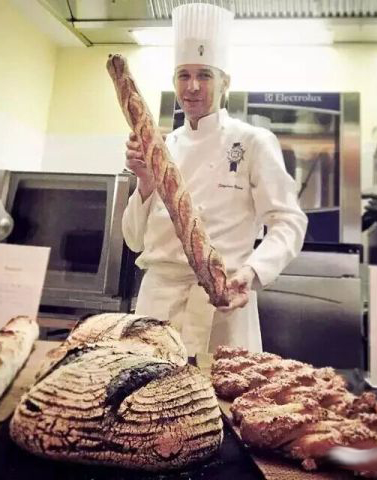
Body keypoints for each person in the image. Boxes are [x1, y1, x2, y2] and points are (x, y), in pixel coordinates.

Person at [122, 3, 307, 355]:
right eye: (184, 75)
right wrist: (145, 181)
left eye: (204, 75)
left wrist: (252, 272)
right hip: (156, 310)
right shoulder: (161, 148)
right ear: (174, 82)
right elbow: (132, 240)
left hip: (223, 307)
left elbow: (289, 222)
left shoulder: (253, 142)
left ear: (225, 83)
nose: (192, 87)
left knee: (226, 390)